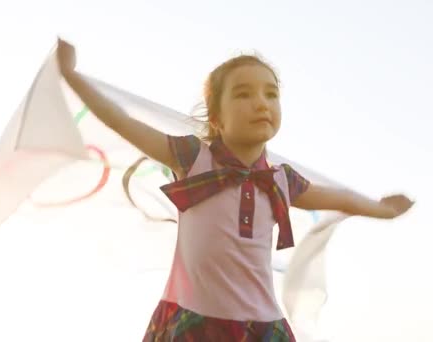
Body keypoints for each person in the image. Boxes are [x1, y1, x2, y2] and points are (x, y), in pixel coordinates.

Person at [55, 37, 414, 341]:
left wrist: (383, 210)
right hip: (196, 320)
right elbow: (122, 120)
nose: (261, 102)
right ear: (216, 118)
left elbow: (341, 198)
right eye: (243, 94)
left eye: (271, 94)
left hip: (263, 326)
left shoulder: (280, 180)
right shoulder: (194, 159)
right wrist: (71, 76)